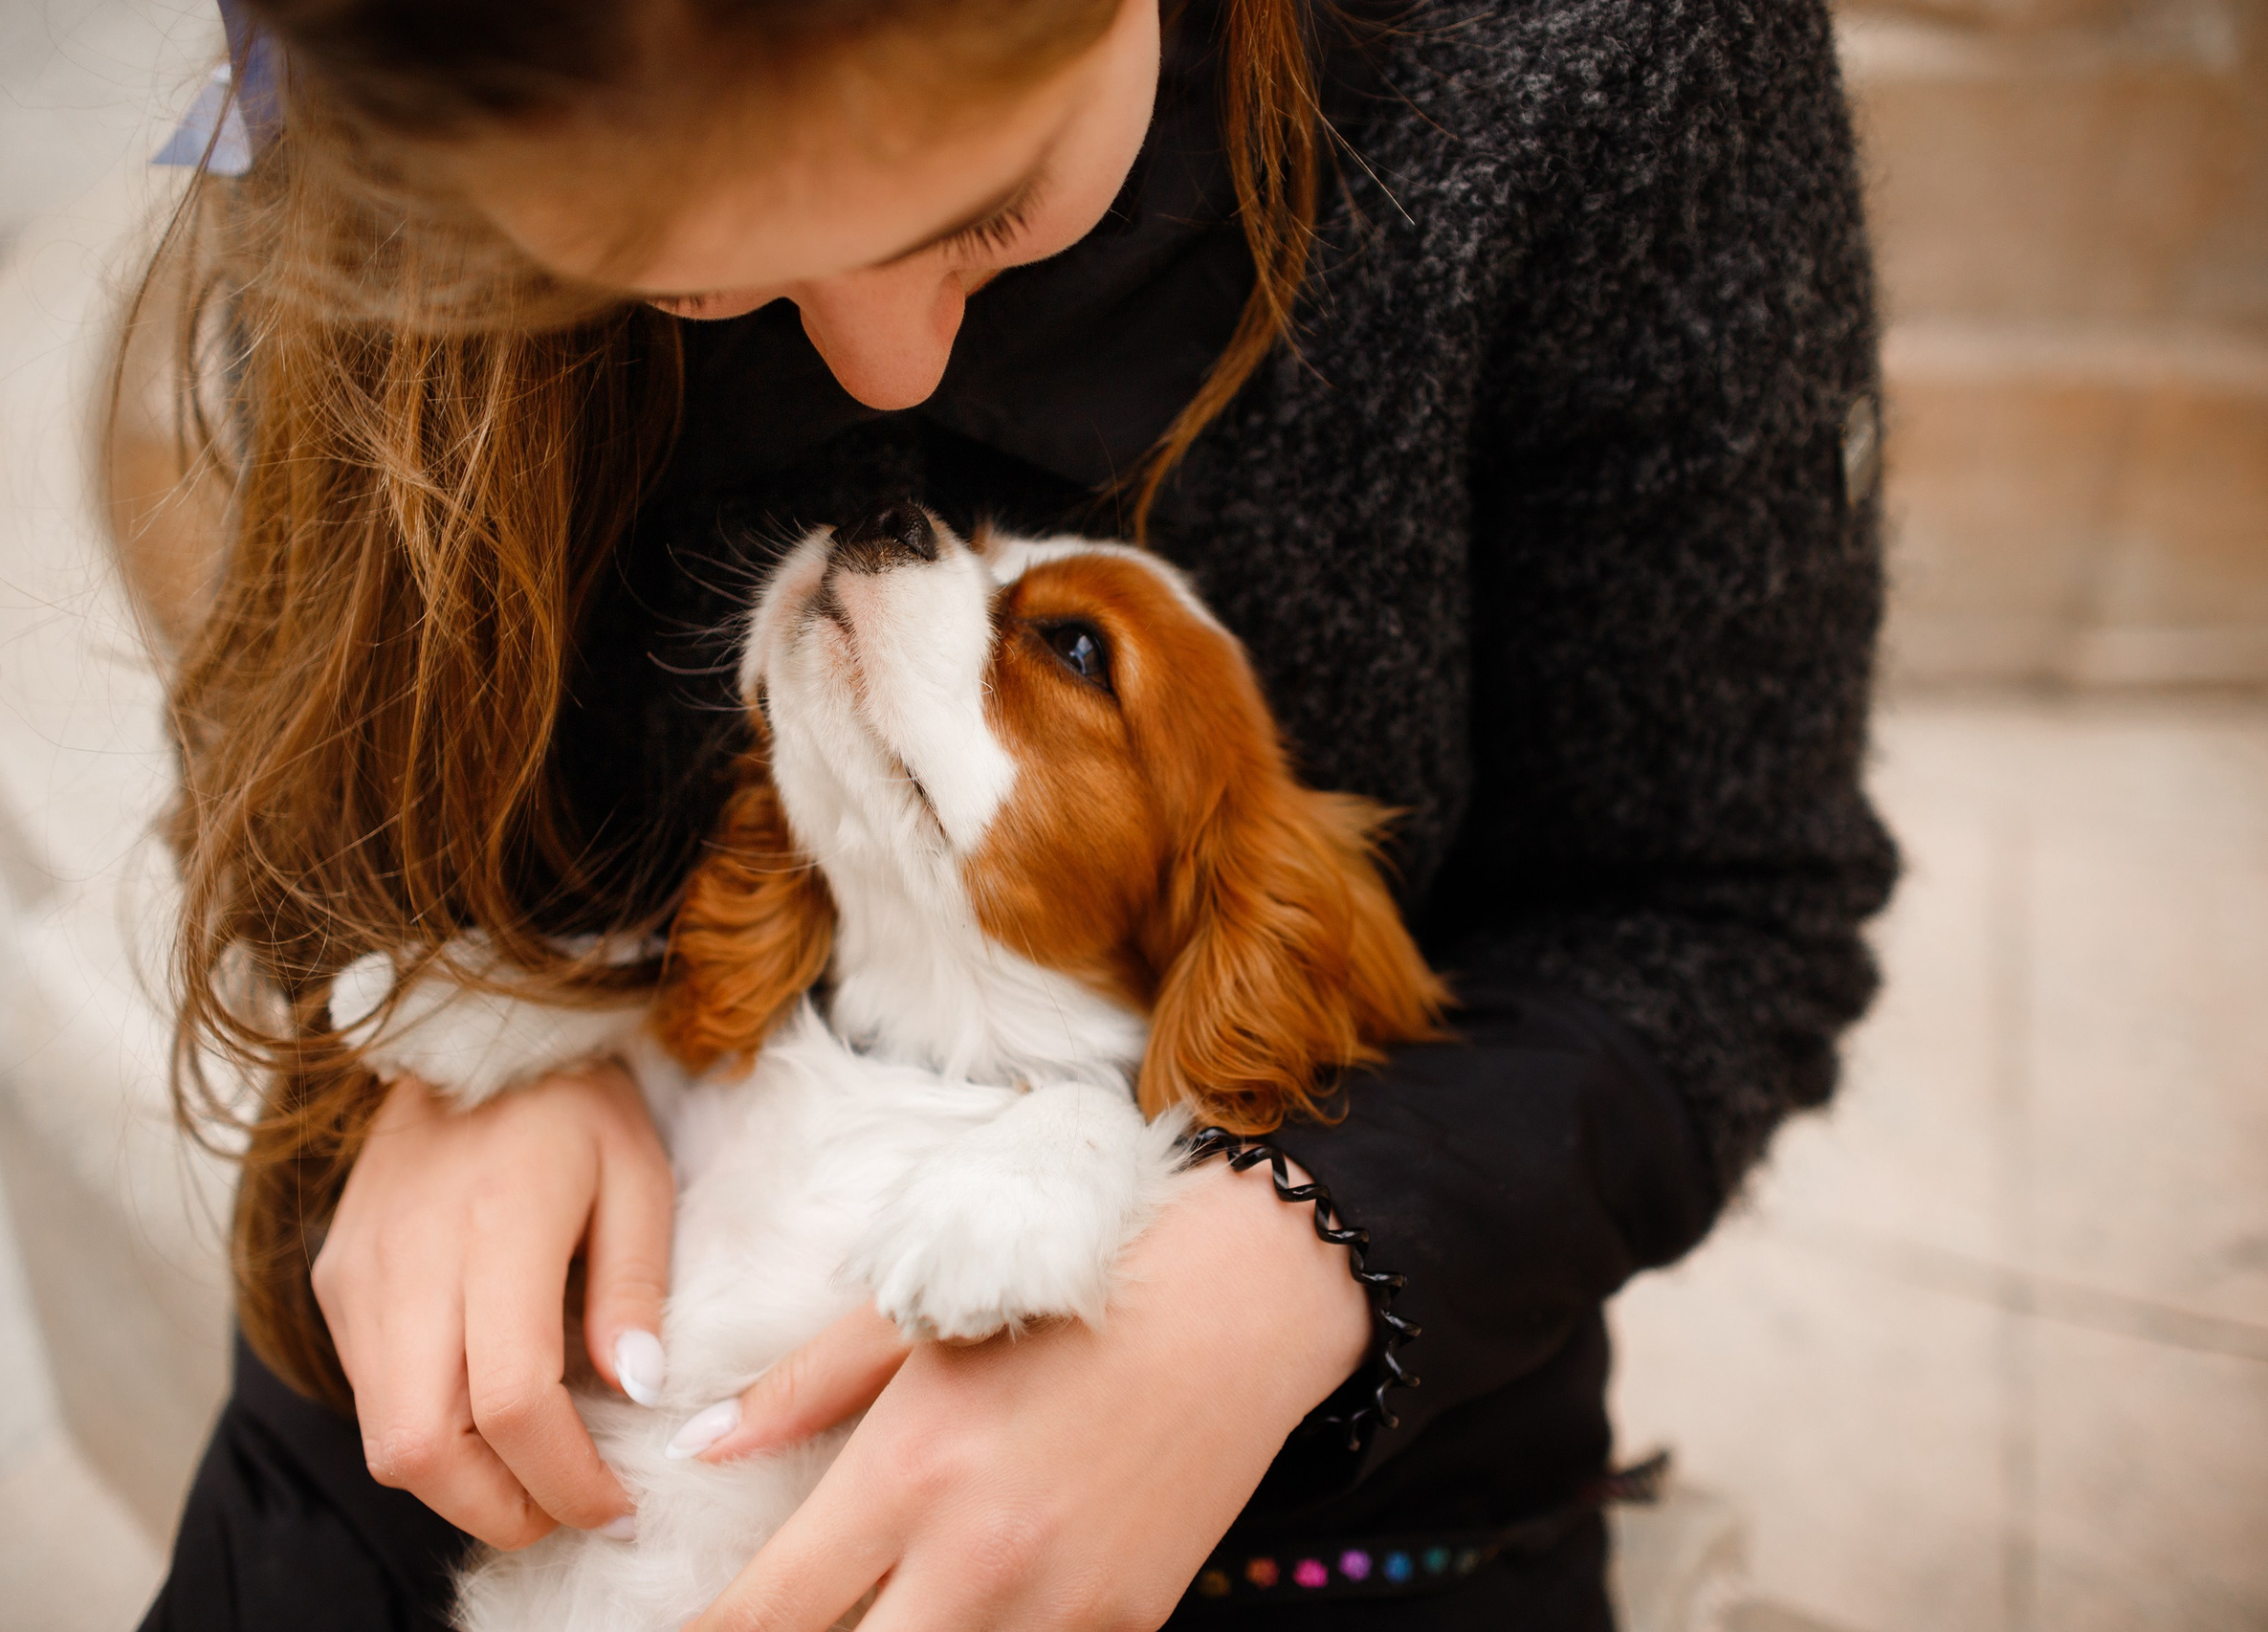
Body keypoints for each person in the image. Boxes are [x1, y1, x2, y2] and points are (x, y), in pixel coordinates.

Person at [130, 0, 1898, 1623]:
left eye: (987, 208)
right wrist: (433, 1033)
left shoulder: (1602, 54)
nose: (888, 372)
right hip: (492, 1335)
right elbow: (328, 712)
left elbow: (1720, 912)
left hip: (1324, 1453)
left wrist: (1278, 1280)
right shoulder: (406, 85)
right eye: (681, 282)